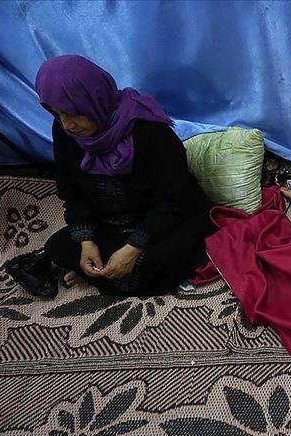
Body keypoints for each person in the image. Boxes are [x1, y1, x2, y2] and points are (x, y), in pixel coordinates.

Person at [22, 55, 213, 296]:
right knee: (58, 246)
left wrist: (132, 249)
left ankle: (107, 273)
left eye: (73, 113)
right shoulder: (66, 133)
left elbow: (174, 201)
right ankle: (105, 270)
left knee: (158, 263)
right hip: (111, 223)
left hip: (165, 221)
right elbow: (72, 193)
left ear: (94, 100)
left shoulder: (150, 131)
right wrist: (87, 243)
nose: (68, 124)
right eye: (58, 115)